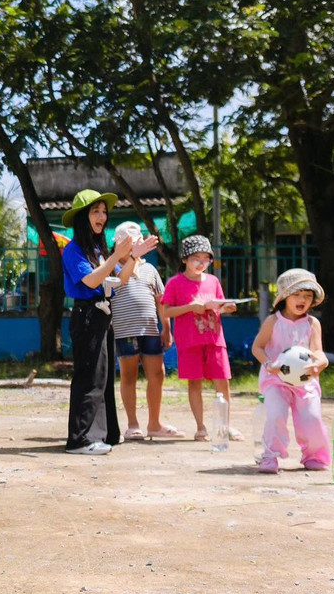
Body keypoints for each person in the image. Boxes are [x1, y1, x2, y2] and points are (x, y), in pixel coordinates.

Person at [61, 190, 157, 455]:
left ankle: (104, 434)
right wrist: (117, 255)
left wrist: (133, 257)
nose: (102, 217)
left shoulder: (97, 250)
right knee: (88, 377)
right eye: (95, 211)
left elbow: (120, 279)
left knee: (102, 377)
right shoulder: (73, 250)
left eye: (104, 212)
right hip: (87, 315)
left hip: (103, 315)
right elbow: (92, 280)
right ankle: (79, 440)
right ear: (82, 217)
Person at [250, 269, 330, 474]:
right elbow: (257, 347)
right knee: (276, 415)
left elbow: (318, 351)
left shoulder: (312, 323)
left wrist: (321, 362)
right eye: (297, 294)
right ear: (285, 297)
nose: (302, 300)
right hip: (275, 380)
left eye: (308, 296)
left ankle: (314, 456)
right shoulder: (273, 321)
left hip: (306, 381)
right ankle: (270, 456)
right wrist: (269, 364)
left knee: (312, 417)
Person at [162, 235, 241, 441]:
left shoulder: (213, 281)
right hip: (189, 341)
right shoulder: (175, 283)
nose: (201, 263)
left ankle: (225, 426)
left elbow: (219, 305)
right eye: (196, 258)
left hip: (215, 339)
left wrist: (227, 307)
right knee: (194, 383)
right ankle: (200, 427)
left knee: (222, 382)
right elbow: (166, 311)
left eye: (206, 259)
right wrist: (190, 307)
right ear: (185, 259)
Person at [107, 221, 180, 440]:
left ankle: (154, 424)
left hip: (150, 329)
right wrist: (132, 258)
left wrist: (166, 327)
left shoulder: (149, 269)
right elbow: (117, 284)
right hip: (125, 330)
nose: (134, 248)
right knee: (129, 375)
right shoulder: (110, 266)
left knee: (157, 374)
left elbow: (160, 300)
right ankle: (132, 424)